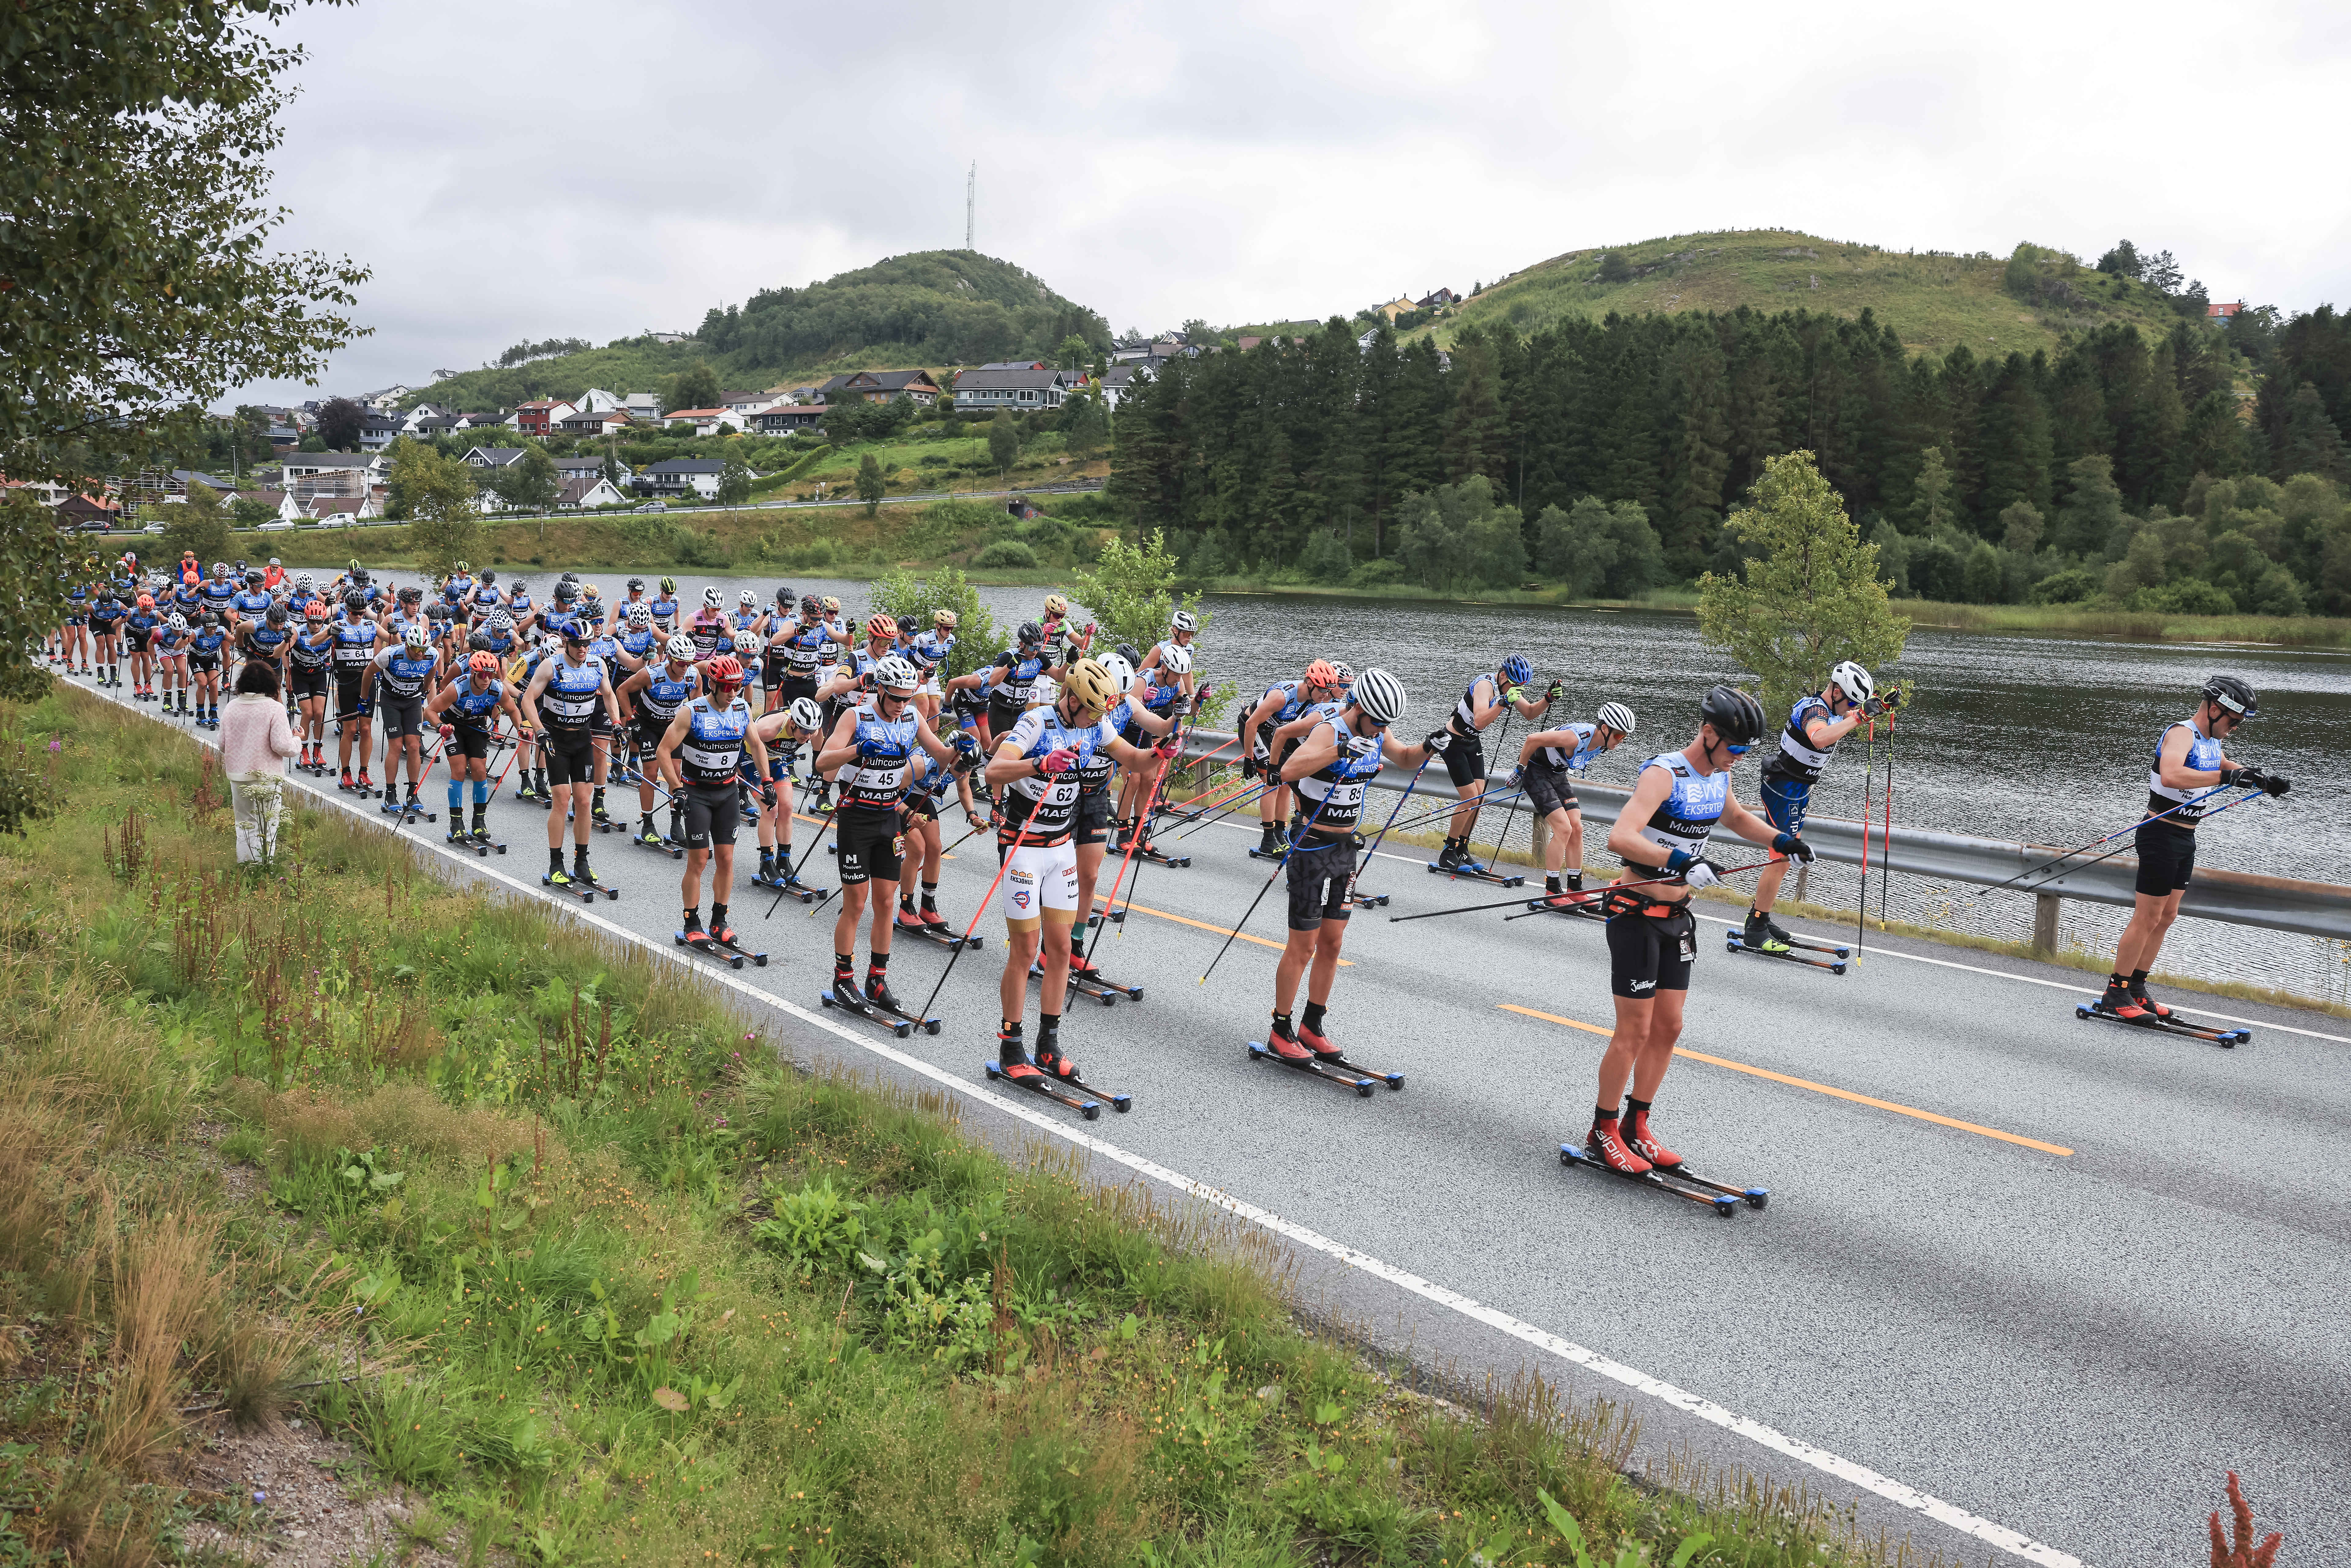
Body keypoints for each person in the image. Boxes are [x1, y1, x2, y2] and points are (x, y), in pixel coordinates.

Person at [1587, 685, 1799, 1175]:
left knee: (1669, 1026)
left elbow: (1740, 819)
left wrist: (1784, 839)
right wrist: (1680, 859)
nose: (1739, 759)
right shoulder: (1665, 774)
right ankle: (1603, 1129)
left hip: (1678, 919)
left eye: (1746, 751)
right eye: (1734, 748)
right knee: (1634, 1030)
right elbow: (1622, 836)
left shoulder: (1719, 779)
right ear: (1707, 734)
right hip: (1636, 914)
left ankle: (1638, 1125)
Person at [983, 657, 1171, 1086]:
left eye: (1097, 714)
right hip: (1023, 848)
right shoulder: (1036, 722)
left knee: (1062, 950)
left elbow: (1136, 760)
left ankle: (1048, 1043)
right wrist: (1040, 764)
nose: (1092, 721)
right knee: (1025, 951)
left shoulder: (1097, 724)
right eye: (1087, 711)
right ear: (1069, 698)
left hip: (1061, 848)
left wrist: (1160, 751)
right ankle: (1012, 1045)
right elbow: (994, 769)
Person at [1264, 668, 1450, 1061]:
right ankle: (1280, 1029)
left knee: (1332, 943)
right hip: (1312, 846)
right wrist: (1341, 753)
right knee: (1304, 944)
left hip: (1346, 849)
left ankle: (1312, 1026)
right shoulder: (1328, 731)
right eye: (1377, 721)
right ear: (1360, 708)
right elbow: (1290, 771)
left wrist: (1429, 745)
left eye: (1386, 724)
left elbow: (1402, 758)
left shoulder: (1377, 732)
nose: (1381, 729)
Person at [2102, 676, 2291, 1022]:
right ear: (2216, 709)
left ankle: (2137, 989)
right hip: (2160, 834)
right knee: (2147, 916)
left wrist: (2259, 779)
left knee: (2167, 916)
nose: (2235, 728)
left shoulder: (2210, 742)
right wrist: (2227, 779)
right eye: (2233, 721)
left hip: (2186, 838)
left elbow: (2221, 766)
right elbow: (2173, 774)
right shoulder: (2182, 733)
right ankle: (2116, 991)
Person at [813, 654, 969, 1015]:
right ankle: (843, 978)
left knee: (885, 903)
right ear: (880, 690)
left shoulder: (912, 717)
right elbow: (823, 763)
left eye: (907, 697)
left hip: (889, 819)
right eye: (896, 697)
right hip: (856, 819)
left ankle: (877, 979)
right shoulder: (858, 716)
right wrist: (856, 749)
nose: (902, 705)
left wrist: (961, 750)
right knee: (856, 904)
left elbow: (942, 758)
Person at [1744, 660, 1887, 952]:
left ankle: (1761, 914)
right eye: (1848, 701)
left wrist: (1880, 706)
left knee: (1783, 858)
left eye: (1853, 704)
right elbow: (1819, 738)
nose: (1850, 708)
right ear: (1835, 691)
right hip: (1782, 789)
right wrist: (1860, 716)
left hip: (1797, 791)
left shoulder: (1836, 710)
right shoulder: (1814, 710)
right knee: (1781, 858)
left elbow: (1853, 715)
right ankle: (1756, 928)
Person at [653, 653, 771, 948]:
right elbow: (664, 751)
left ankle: (719, 921)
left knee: (727, 859)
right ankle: (692, 922)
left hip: (728, 792)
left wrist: (766, 780)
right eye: (727, 688)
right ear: (713, 684)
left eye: (738, 687)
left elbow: (756, 745)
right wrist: (676, 786)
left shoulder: (743, 709)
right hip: (697, 793)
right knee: (699, 860)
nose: (733, 694)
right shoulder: (691, 712)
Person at [522, 624, 625, 891]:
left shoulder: (597, 664)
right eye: (578, 643)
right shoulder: (551, 666)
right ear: (566, 643)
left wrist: (616, 723)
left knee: (583, 800)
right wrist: (540, 730)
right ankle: (556, 863)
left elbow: (611, 695)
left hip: (582, 738)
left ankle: (581, 861)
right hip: (557, 739)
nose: (583, 648)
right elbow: (528, 700)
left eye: (587, 643)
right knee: (561, 800)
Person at [1436, 654, 1556, 872]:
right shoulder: (1485, 686)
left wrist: (1547, 699)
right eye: (1513, 684)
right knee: (1470, 798)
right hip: (1452, 742)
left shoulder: (1507, 689)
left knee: (1480, 797)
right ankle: (1448, 849)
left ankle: (1462, 847)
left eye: (1519, 687)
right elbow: (1481, 719)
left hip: (1472, 743)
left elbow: (1529, 713)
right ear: (1502, 675)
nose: (1516, 689)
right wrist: (1503, 702)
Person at [1511, 701, 1637, 910]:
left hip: (1558, 775)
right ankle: (1552, 890)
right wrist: (1520, 769)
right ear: (1605, 729)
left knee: (1577, 828)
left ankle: (1575, 888)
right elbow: (1532, 739)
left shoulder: (1602, 743)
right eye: (1619, 736)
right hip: (1537, 774)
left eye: (1624, 737)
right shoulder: (1575, 737)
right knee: (1564, 829)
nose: (1621, 741)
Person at [1242, 660, 1343, 857]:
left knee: (1286, 782)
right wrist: (1249, 758)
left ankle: (1280, 833)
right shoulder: (1282, 697)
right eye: (1322, 690)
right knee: (1271, 783)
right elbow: (1252, 724)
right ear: (1309, 683)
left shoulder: (1314, 701)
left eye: (1329, 690)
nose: (1325, 695)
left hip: (1274, 733)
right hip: (1254, 730)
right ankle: (1268, 838)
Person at [1116, 612, 1198, 852]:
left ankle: (1139, 831)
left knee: (1150, 780)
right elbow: (1126, 701)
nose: (1179, 680)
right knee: (1133, 779)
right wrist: (1144, 699)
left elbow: (1186, 709)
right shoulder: (1145, 679)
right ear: (1164, 669)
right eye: (1176, 676)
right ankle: (1123, 832)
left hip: (1148, 731)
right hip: (1128, 732)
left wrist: (1198, 700)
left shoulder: (1178, 681)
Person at [425, 650, 527, 843]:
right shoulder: (458, 688)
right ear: (473, 672)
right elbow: (429, 710)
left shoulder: (497, 688)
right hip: (453, 728)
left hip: (475, 727)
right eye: (482, 674)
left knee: (480, 772)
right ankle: (456, 822)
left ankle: (479, 820)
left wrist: (521, 729)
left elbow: (513, 710)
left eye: (491, 674)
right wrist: (440, 727)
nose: (486, 679)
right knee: (460, 770)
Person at [617, 633, 700, 848]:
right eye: (681, 663)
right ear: (670, 659)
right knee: (652, 773)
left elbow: (698, 704)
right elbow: (622, 691)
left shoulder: (693, 675)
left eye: (689, 663)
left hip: (672, 727)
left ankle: (676, 824)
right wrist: (631, 719)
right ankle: (647, 822)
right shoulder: (652, 674)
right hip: (647, 725)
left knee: (675, 772)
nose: (685, 668)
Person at [220, 661, 300, 865]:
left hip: (238, 776)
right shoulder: (275, 709)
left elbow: (222, 744)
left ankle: (245, 866)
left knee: (244, 824)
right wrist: (298, 740)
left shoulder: (232, 707)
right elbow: (283, 747)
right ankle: (263, 868)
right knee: (267, 825)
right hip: (267, 777)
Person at [363, 623, 442, 816]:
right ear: (407, 646)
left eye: (423, 650)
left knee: (414, 746)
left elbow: (433, 672)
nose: (419, 654)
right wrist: (364, 699)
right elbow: (368, 673)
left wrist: (424, 690)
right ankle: (391, 792)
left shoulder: (432, 654)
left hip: (413, 701)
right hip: (391, 701)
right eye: (415, 649)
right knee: (397, 746)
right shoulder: (390, 654)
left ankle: (412, 792)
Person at [329, 591, 381, 791]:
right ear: (347, 610)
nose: (359, 616)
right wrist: (329, 635)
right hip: (346, 683)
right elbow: (314, 641)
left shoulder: (371, 625)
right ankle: (346, 772)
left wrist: (393, 630)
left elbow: (391, 638)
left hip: (367, 683)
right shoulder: (339, 625)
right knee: (350, 730)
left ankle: (364, 772)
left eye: (362, 612)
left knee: (367, 729)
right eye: (355, 613)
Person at [287, 604, 336, 770]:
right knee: (308, 712)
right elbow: (284, 653)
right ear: (306, 619)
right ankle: (304, 751)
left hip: (319, 674)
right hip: (301, 675)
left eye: (319, 622)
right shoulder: (298, 632)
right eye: (312, 622)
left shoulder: (328, 632)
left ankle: (318, 750)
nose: (316, 626)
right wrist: (288, 673)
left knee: (320, 712)